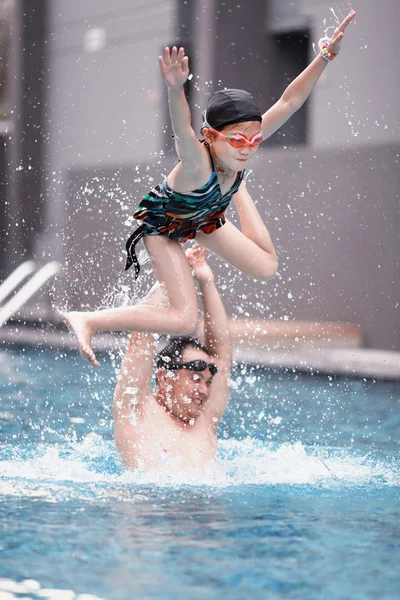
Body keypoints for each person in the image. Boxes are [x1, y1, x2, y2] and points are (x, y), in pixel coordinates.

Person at [66, 10, 356, 367]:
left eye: (255, 139)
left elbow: (289, 101)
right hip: (165, 226)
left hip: (206, 217)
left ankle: (239, 192)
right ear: (211, 137)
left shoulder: (240, 147)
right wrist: (175, 88)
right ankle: (89, 319)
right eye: (237, 140)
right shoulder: (197, 161)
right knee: (186, 318)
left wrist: (325, 56)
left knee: (266, 267)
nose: (248, 146)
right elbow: (183, 130)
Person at [112, 245, 231, 472]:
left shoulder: (204, 422)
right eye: (196, 378)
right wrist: (178, 275)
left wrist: (206, 282)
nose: (205, 391)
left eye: (207, 382)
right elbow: (141, 335)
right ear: (165, 377)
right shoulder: (137, 412)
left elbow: (221, 357)